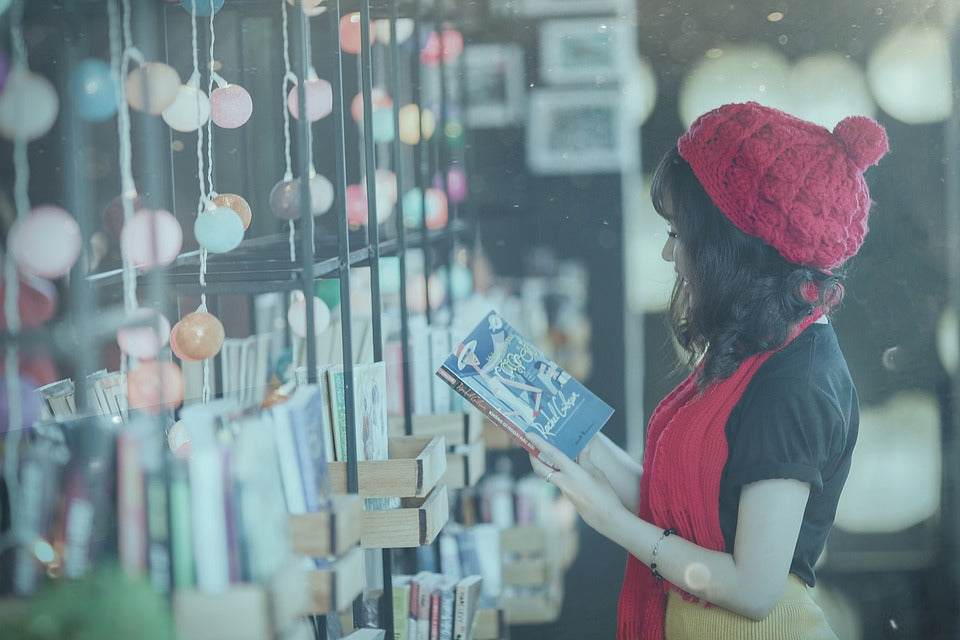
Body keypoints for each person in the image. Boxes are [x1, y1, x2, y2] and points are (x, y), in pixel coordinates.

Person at [527, 101, 889, 640]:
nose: (669, 253)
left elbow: (753, 590)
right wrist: (565, 429)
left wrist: (611, 521)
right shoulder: (761, 347)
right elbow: (684, 512)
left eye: (678, 232)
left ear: (729, 244)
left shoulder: (796, 383)